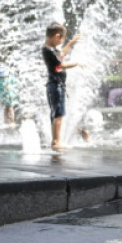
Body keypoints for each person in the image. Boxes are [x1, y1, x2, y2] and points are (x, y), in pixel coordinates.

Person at [42, 22, 81, 150]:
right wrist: (76, 63)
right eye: (62, 39)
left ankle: (55, 141)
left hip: (55, 85)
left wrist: (70, 43)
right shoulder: (48, 50)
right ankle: (57, 142)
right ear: (57, 36)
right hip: (56, 85)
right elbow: (61, 65)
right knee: (58, 114)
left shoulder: (50, 49)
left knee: (56, 113)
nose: (62, 42)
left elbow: (61, 56)